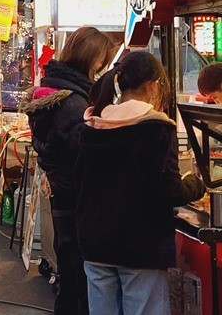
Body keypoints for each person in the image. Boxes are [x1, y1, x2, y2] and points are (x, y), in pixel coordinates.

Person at [76, 50, 205, 315]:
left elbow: (80, 182)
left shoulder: (92, 125)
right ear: (154, 84)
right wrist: (197, 183)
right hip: (140, 245)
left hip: (95, 242)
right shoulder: (156, 129)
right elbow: (170, 190)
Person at [23, 26, 116, 315]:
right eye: (102, 60)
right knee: (79, 274)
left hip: (62, 192)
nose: (102, 67)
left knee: (70, 271)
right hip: (77, 196)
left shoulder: (55, 91)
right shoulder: (74, 103)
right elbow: (86, 154)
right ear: (92, 59)